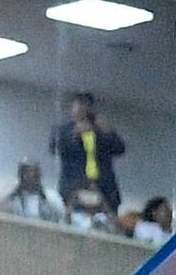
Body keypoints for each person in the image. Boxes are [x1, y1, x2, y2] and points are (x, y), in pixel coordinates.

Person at [51, 91, 126, 219]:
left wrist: (109, 133)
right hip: (74, 189)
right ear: (72, 108)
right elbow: (54, 148)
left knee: (105, 226)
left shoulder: (100, 129)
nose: (82, 109)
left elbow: (120, 149)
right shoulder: (63, 130)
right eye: (79, 104)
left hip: (104, 190)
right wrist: (74, 135)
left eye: (86, 105)